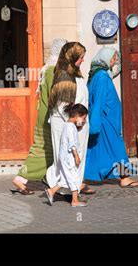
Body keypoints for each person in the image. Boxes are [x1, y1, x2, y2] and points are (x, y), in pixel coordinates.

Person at [11, 39, 68, 194]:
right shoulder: (53, 71)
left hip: (44, 114)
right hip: (49, 117)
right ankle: (22, 177)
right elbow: (55, 94)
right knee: (45, 150)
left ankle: (48, 180)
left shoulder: (46, 69)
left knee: (44, 148)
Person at [84, 47, 138, 188]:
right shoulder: (102, 77)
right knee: (117, 149)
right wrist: (95, 122)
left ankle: (86, 176)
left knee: (97, 151)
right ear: (105, 59)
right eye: (112, 59)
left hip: (104, 120)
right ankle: (125, 177)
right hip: (106, 121)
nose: (114, 61)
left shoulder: (96, 74)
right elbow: (98, 100)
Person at [46, 42, 95, 195]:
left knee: (74, 158)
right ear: (72, 57)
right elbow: (63, 106)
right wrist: (77, 122)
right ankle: (65, 190)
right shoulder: (64, 76)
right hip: (67, 124)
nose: (83, 60)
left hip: (78, 123)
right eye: (80, 57)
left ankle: (70, 189)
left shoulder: (75, 74)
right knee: (67, 158)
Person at [44, 103, 89, 208]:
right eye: (83, 118)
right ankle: (75, 200)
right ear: (77, 116)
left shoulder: (67, 125)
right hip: (69, 158)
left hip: (64, 157)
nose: (83, 121)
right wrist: (76, 156)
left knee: (65, 178)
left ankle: (51, 191)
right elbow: (72, 144)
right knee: (74, 178)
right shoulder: (71, 127)